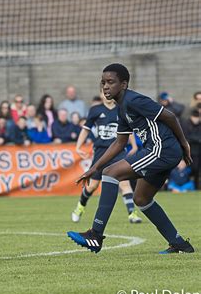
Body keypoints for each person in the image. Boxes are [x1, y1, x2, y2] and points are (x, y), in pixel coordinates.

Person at [68, 63, 194, 254]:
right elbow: (119, 143)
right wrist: (94, 168)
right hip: (163, 151)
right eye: (103, 82)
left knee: (111, 173)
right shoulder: (122, 108)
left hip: (161, 149)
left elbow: (169, 116)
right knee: (141, 198)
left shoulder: (134, 100)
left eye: (111, 82)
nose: (105, 86)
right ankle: (180, 244)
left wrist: (184, 144)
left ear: (124, 84)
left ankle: (95, 234)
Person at [71, 89, 142, 224]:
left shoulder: (121, 109)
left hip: (118, 150)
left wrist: (134, 146)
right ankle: (80, 207)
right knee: (92, 186)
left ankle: (132, 213)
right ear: (100, 94)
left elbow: (128, 129)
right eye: (104, 92)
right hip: (101, 151)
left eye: (109, 92)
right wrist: (78, 146)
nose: (107, 95)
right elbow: (86, 129)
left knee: (124, 182)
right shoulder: (95, 110)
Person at [182, 108, 200, 189]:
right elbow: (185, 138)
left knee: (196, 169)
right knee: (189, 170)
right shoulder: (185, 124)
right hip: (188, 151)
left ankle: (195, 186)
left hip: (198, 152)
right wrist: (197, 139)